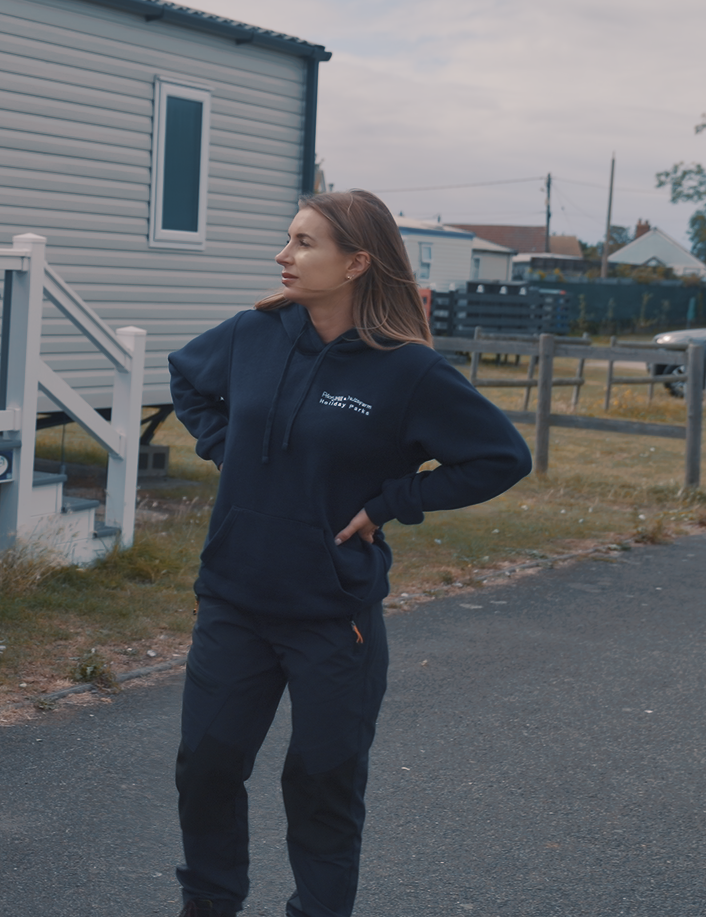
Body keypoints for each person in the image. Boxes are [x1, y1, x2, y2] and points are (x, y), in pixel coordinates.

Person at [165, 190, 531, 917]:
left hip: (333, 617)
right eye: (288, 239)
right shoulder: (253, 333)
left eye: (304, 243)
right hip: (234, 599)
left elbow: (500, 457)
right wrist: (225, 446)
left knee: (321, 784)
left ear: (357, 263)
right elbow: (187, 377)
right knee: (205, 768)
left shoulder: (407, 370)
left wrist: (393, 502)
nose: (284, 255)